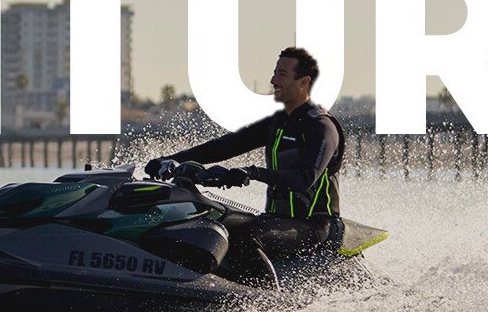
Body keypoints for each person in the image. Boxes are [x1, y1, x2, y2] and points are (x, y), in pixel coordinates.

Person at [146, 47, 344, 263]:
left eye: (282, 75)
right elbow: (225, 146)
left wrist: (250, 173)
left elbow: (303, 178)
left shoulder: (322, 127)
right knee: (212, 227)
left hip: (316, 225)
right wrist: (171, 159)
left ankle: (263, 298)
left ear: (304, 82)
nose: (273, 80)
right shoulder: (279, 122)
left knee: (244, 237)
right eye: (274, 72)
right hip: (278, 219)